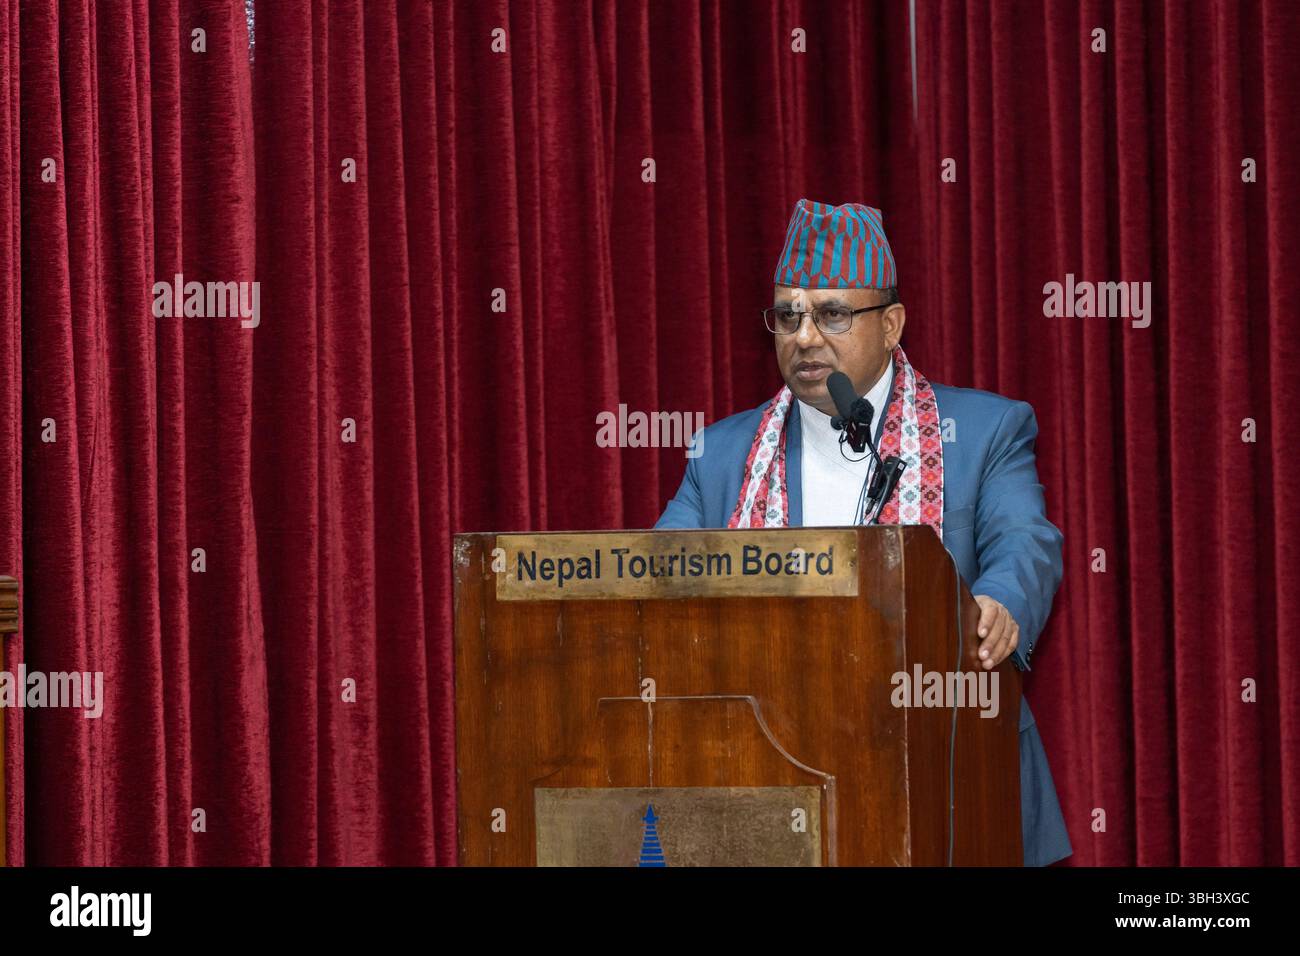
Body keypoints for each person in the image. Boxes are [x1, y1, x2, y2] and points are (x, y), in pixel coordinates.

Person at [655, 198, 1072, 866]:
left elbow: (1026, 540)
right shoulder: (722, 454)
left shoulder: (986, 430)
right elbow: (659, 573)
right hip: (769, 780)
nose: (805, 336)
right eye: (788, 315)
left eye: (833, 313)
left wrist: (999, 602)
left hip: (955, 773)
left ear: (893, 324)